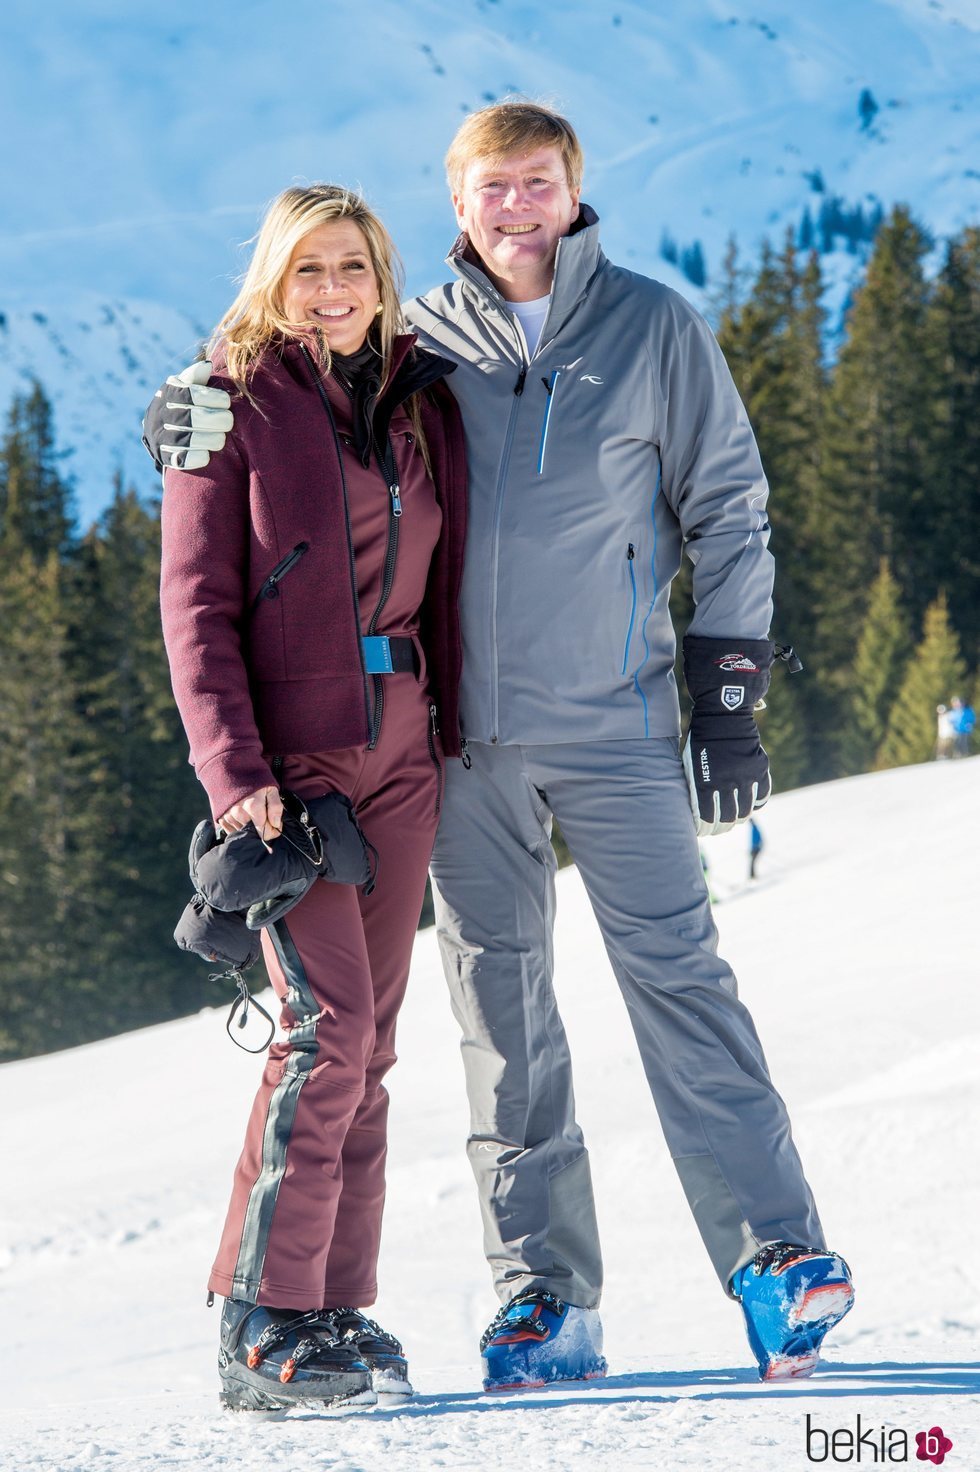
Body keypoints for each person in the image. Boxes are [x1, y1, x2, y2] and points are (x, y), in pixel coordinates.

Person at [144, 102, 852, 1390]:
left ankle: (777, 1254)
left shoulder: (646, 327)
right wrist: (188, 410)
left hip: (605, 721)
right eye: (490, 187)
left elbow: (729, 507)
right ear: (457, 202)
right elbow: (258, 416)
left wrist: (728, 686)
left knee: (676, 983)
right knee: (492, 1016)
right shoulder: (424, 347)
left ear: (572, 190)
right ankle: (539, 1296)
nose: (515, 205)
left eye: (538, 182)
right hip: (454, 743)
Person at [157, 184, 467, 1412]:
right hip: (294, 769)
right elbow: (195, 607)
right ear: (273, 280)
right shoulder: (215, 399)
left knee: (373, 1043)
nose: (332, 290)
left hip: (404, 749)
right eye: (309, 271)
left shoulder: (413, 398)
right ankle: (258, 1318)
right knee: (320, 1029)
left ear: (380, 276)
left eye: (352, 267)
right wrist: (236, 777)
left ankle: (333, 1307)